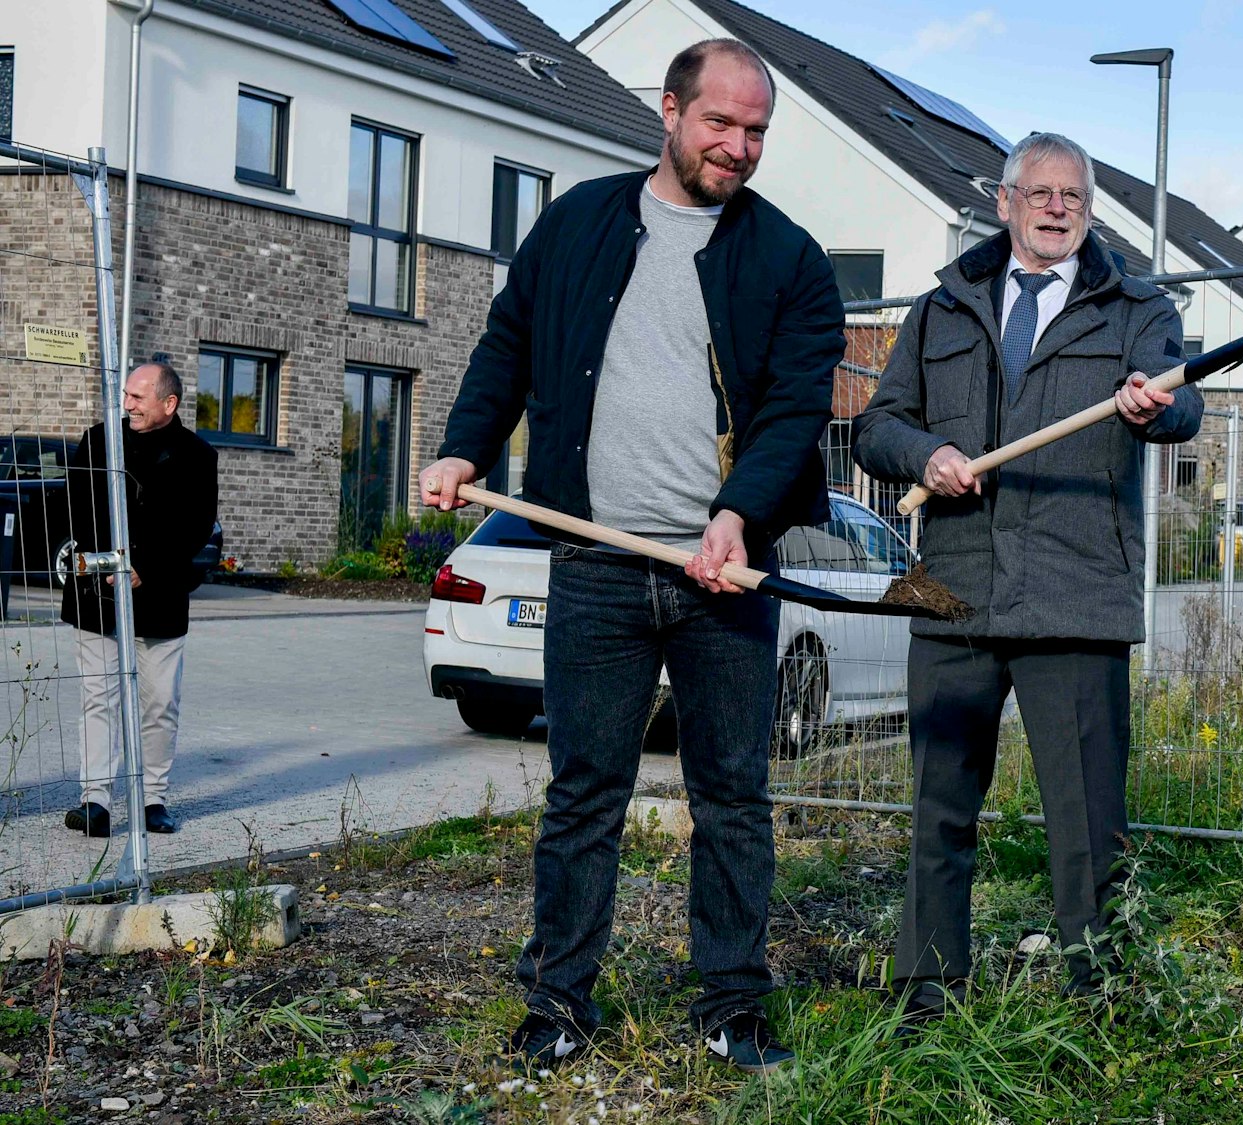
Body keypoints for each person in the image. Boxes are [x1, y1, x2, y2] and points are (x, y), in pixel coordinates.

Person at [418, 38, 845, 1074]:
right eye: (720, 125)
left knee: (732, 797)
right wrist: (464, 441)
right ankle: (558, 1001)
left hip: (724, 576)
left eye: (755, 132)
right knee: (583, 792)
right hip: (597, 566)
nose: (739, 148)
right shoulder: (575, 225)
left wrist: (738, 515)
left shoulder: (788, 259)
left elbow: (794, 413)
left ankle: (731, 1005)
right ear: (669, 110)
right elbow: (506, 346)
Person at [852, 132, 1202, 1025]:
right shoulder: (944, 307)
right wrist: (924, 453)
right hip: (956, 591)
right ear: (1004, 201)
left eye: (1072, 197)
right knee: (939, 807)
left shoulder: (1133, 306)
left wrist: (1157, 401)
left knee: (1087, 824)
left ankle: (1100, 999)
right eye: (1039, 193)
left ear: (1088, 211)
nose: (1056, 208)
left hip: (1074, 598)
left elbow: (1185, 401)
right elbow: (878, 424)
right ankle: (928, 994)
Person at [62, 356, 219, 839]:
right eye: (125, 395)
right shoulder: (98, 440)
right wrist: (103, 562)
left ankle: (152, 800)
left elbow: (194, 527)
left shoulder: (198, 456)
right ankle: (95, 802)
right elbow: (78, 507)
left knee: (159, 704)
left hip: (161, 597)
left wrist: (144, 568)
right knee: (99, 699)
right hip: (97, 594)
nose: (126, 404)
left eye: (137, 397)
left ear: (168, 403)